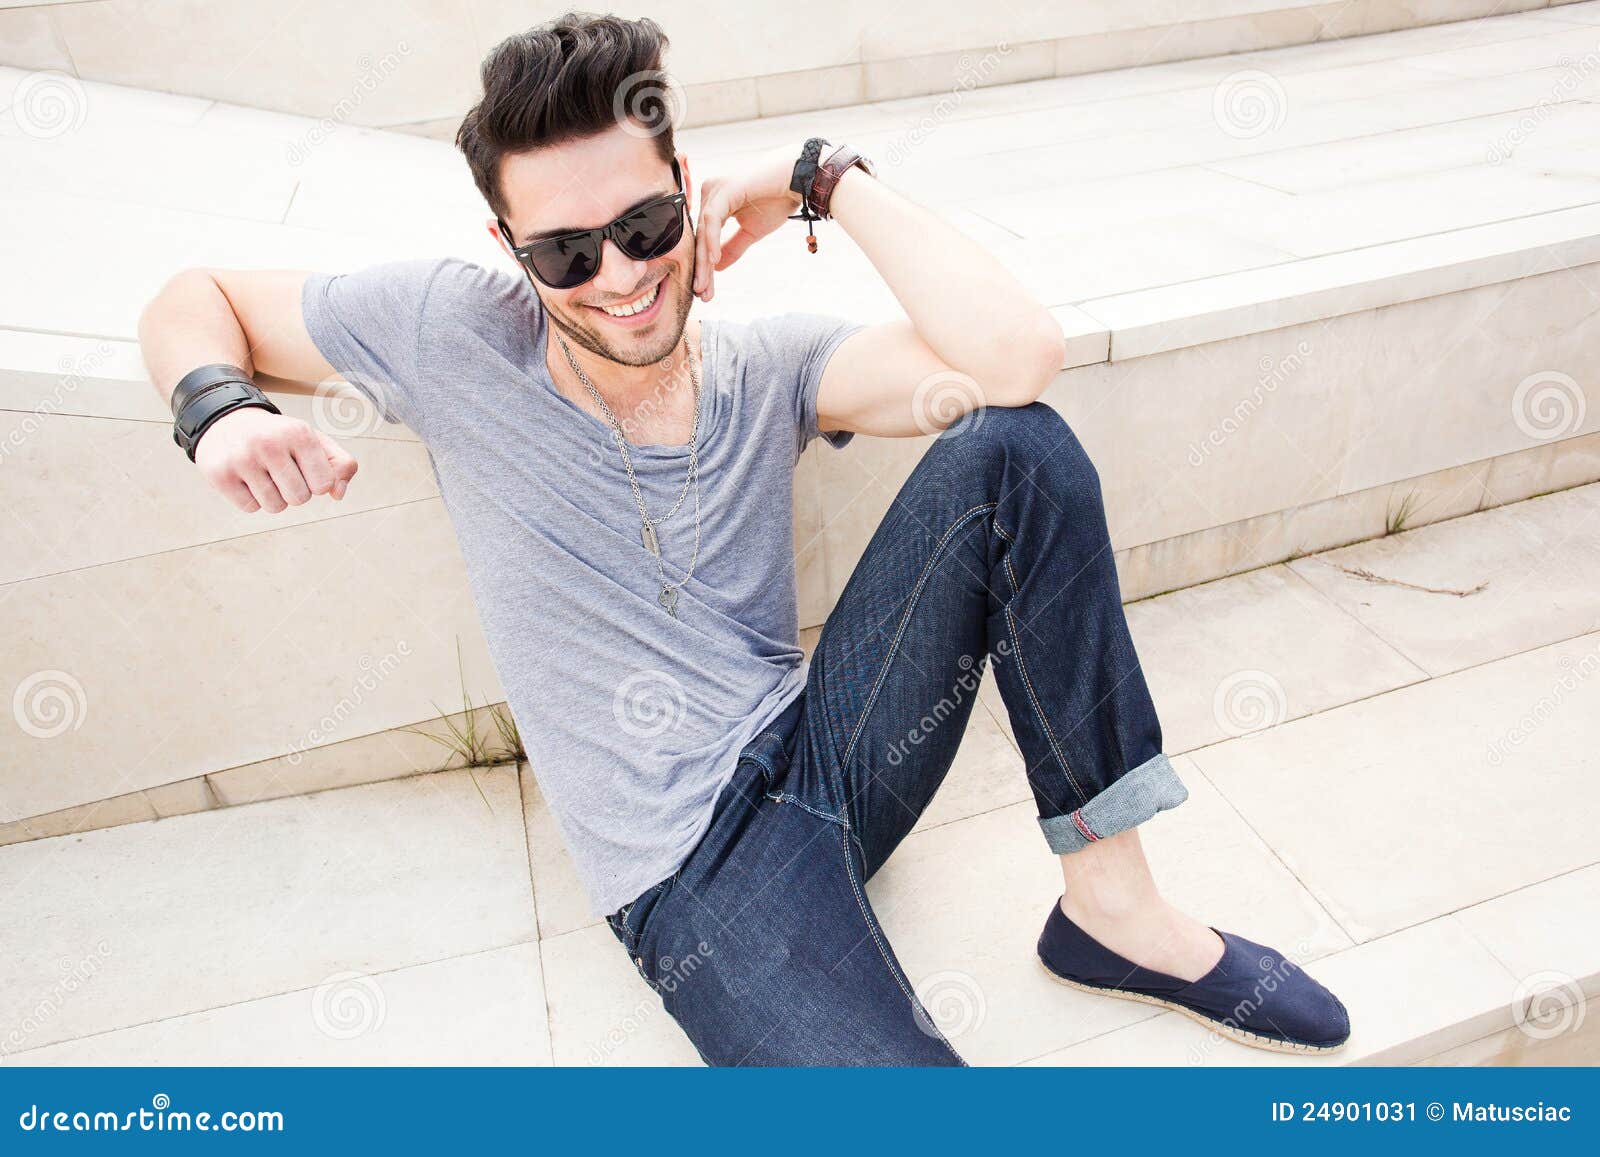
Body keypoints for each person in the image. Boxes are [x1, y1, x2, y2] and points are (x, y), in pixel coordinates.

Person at [137, 12, 1349, 1065]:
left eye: (647, 223)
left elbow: (1014, 359)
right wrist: (217, 407)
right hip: (690, 869)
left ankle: (1113, 909)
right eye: (566, 250)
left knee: (1016, 451)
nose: (617, 275)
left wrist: (822, 177)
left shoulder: (771, 369)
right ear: (510, 253)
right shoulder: (452, 332)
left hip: (824, 752)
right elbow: (199, 295)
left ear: (688, 194)